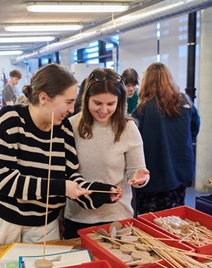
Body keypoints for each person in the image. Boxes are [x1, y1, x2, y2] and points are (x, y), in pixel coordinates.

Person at [0, 64, 122, 253]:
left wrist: (98, 192)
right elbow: (2, 181)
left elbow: (70, 177)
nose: (71, 109)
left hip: (43, 224)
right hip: (2, 221)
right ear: (44, 98)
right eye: (68, 102)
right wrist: (62, 188)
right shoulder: (10, 118)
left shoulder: (64, 130)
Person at [64, 68, 150, 239]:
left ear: (120, 102)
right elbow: (65, 172)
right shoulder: (70, 125)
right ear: (86, 98)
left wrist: (140, 178)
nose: (104, 110)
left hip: (117, 217)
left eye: (111, 104)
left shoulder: (128, 128)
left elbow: (137, 171)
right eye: (97, 103)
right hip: (78, 216)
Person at [132, 62, 200, 214]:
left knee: (151, 222)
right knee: (175, 219)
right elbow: (194, 130)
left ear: (146, 82)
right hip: (179, 173)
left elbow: (132, 141)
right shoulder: (185, 102)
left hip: (152, 176)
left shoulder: (142, 109)